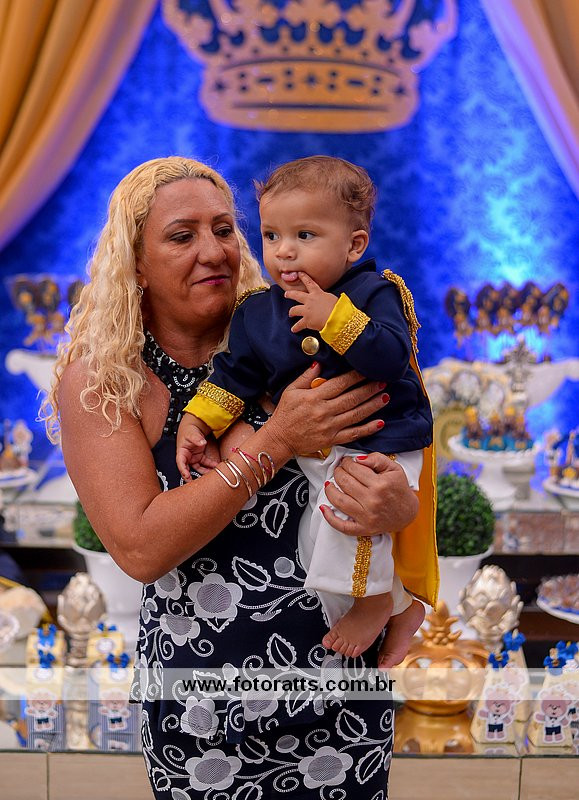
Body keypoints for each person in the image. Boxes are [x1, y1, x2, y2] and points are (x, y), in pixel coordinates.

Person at [42, 157, 421, 799]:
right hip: (201, 709)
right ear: (135, 263)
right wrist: (277, 439)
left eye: (223, 229)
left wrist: (400, 512)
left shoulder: (294, 332)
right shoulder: (102, 382)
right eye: (182, 235)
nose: (214, 250)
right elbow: (141, 549)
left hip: (339, 689)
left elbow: (401, 442)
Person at [177, 156, 438, 664]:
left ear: (354, 245)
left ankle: (377, 601)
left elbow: (391, 356)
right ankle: (398, 604)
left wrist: (335, 317)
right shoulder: (257, 311)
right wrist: (199, 419)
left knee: (347, 517)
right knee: (314, 539)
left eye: (305, 235)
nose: (284, 251)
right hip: (318, 451)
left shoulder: (373, 293)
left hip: (380, 439)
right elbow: (235, 374)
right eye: (271, 236)